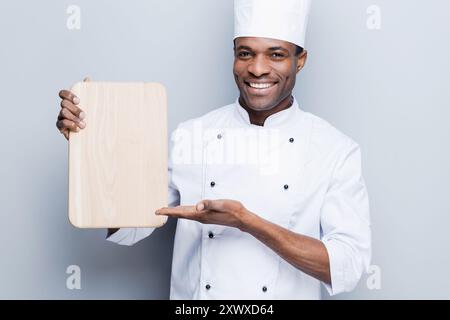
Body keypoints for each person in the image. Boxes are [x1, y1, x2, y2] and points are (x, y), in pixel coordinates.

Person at [56, 0, 371, 299]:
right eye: (246, 53)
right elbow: (130, 224)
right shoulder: (193, 135)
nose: (257, 69)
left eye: (276, 54)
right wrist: (91, 148)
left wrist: (246, 222)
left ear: (299, 61)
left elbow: (348, 265)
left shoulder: (334, 149)